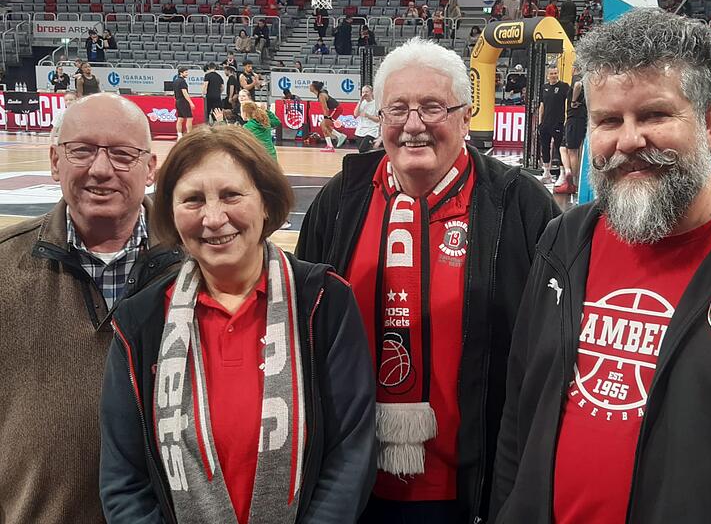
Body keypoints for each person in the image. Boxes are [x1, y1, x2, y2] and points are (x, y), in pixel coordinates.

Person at [491, 7, 711, 523]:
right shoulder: (564, 239)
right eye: (609, 121)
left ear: (708, 122)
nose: (629, 141)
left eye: (654, 115)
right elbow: (519, 420)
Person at [296, 37, 559, 524]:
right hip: (351, 485)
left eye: (432, 107)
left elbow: (551, 348)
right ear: (379, 118)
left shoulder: (519, 204)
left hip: (471, 487)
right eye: (397, 109)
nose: (413, 125)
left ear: (464, 116)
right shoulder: (342, 200)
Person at [99, 125, 376, 524]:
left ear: (266, 203)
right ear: (172, 215)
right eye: (192, 200)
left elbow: (350, 453)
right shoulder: (140, 320)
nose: (214, 218)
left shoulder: (323, 300)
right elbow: (124, 479)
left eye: (231, 195)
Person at [0, 93, 180, 523]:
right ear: (55, 160)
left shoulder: (196, 267)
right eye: (81, 150)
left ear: (150, 168)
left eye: (122, 154)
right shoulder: (4, 266)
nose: (101, 169)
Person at [555, 65, 587, 194]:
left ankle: (574, 183)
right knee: (563, 148)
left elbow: (578, 85)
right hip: (574, 119)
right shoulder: (587, 80)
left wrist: (573, 100)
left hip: (576, 118)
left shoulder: (578, 78)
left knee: (573, 151)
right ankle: (568, 173)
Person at [538, 66, 570, 184]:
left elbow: (569, 102)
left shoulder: (564, 86)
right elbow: (542, 105)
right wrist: (540, 122)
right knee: (545, 147)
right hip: (545, 123)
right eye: (551, 73)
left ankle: (562, 174)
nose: (554, 75)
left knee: (559, 148)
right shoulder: (544, 87)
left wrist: (567, 118)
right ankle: (546, 173)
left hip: (558, 123)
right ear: (548, 75)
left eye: (555, 73)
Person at [310, 80, 346, 152]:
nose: (309, 87)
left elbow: (325, 109)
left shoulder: (321, 96)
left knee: (324, 125)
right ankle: (338, 138)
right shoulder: (321, 93)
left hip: (336, 109)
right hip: (333, 109)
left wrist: (326, 118)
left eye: (311, 85)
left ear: (314, 88)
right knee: (324, 125)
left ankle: (333, 143)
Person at [353, 84, 380, 153]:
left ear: (371, 92)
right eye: (363, 92)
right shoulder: (362, 103)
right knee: (361, 151)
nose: (364, 94)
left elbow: (379, 119)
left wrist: (368, 116)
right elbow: (355, 114)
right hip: (360, 130)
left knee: (363, 148)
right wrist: (360, 101)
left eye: (366, 92)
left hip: (371, 130)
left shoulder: (376, 104)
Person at [174, 66, 193, 138]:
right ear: (181, 73)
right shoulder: (182, 81)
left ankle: (179, 135)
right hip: (183, 101)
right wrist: (191, 102)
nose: (187, 73)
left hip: (177, 101)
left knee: (180, 118)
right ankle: (189, 135)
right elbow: (185, 93)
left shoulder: (175, 81)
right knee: (189, 118)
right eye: (186, 72)